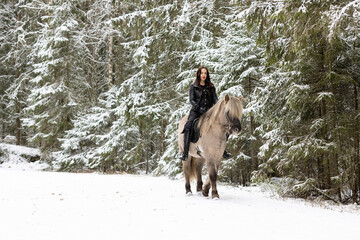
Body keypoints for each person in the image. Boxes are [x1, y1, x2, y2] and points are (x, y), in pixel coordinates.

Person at [179, 66, 231, 161]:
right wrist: (199, 108)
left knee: (225, 125)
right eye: (202, 73)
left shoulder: (211, 86)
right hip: (196, 112)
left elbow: (215, 99)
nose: (203, 75)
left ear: (207, 75)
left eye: (205, 73)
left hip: (210, 112)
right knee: (188, 126)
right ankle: (185, 153)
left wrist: (217, 106)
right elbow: (192, 100)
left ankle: (222, 150)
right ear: (198, 74)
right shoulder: (193, 87)